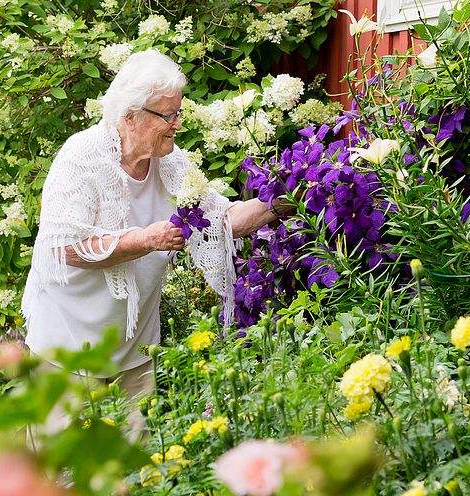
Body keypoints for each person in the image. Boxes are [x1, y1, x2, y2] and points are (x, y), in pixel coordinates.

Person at [20, 49, 282, 412]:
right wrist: (145, 240)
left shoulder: (171, 162)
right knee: (61, 466)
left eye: (179, 112)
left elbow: (221, 222)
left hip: (134, 349)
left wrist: (287, 198)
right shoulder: (82, 158)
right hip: (67, 349)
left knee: (142, 462)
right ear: (131, 117)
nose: (177, 123)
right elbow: (63, 248)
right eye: (168, 115)